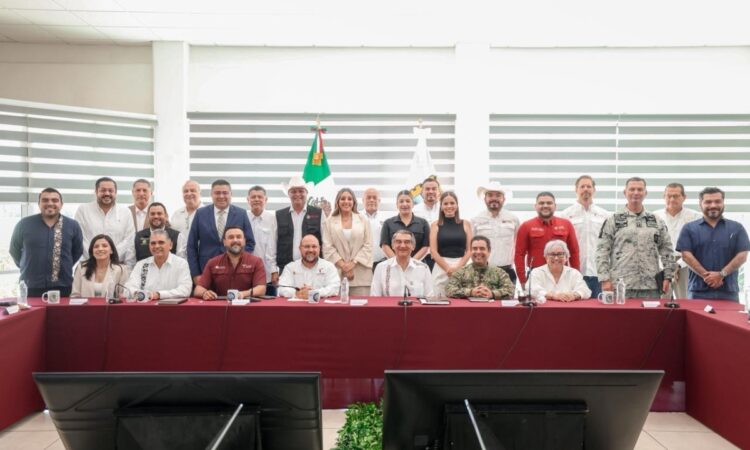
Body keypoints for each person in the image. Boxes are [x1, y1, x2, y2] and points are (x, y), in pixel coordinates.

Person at [596, 177, 676, 299]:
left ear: (645, 193)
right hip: (621, 285)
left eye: (640, 189)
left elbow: (667, 250)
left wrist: (668, 277)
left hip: (651, 286)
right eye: (632, 189)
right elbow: (602, 251)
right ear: (625, 192)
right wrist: (604, 279)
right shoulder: (613, 220)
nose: (636, 192)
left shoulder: (656, 220)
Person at [677, 187, 750, 302]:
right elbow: (686, 256)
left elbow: (742, 256)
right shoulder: (689, 229)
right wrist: (707, 277)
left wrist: (721, 274)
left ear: (723, 203)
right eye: (708, 202)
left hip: (728, 291)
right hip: (698, 292)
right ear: (700, 204)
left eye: (717, 201)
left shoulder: (737, 228)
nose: (713, 205)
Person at [10, 188, 83, 297]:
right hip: (31, 285)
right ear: (39, 203)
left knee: (62, 309)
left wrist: (62, 264)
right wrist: (27, 265)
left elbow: (77, 251)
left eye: (54, 200)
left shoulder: (72, 226)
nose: (50, 203)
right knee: (30, 309)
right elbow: (14, 250)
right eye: (45, 200)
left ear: (61, 204)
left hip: (62, 285)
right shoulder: (24, 224)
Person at [187, 179, 255, 282]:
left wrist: (238, 260)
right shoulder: (200, 214)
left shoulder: (241, 214)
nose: (221, 196)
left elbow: (250, 242)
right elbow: (191, 246)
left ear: (231, 194)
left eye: (225, 193)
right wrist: (195, 274)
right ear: (211, 194)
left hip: (235, 272)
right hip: (205, 271)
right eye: (217, 193)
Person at [515, 192, 580, 286]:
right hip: (536, 276)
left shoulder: (566, 224)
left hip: (562, 275)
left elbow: (574, 252)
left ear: (555, 206)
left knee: (563, 296)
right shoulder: (526, 226)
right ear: (535, 206)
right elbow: (519, 254)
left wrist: (576, 277)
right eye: (541, 203)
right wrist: (522, 280)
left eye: (549, 203)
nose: (545, 205)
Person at [560, 175, 610, 299]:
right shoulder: (565, 215)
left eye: (589, 186)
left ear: (594, 190)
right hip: (574, 273)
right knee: (574, 307)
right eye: (582, 186)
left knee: (598, 308)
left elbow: (609, 244)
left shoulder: (605, 215)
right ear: (576, 189)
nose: (585, 189)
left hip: (598, 273)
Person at [653, 182, 702, 299]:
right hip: (661, 263)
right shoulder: (654, 217)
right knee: (661, 301)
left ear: (684, 197)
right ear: (663, 197)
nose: (672, 199)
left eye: (676, 196)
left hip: (686, 262)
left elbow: (698, 246)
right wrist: (666, 266)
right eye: (669, 196)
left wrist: (679, 264)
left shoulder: (696, 217)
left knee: (685, 300)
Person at [322, 188, 373, 296]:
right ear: (337, 201)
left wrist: (352, 264)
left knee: (361, 306)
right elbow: (327, 247)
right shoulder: (329, 222)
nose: (346, 201)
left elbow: (368, 245)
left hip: (361, 275)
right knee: (335, 306)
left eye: (349, 199)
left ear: (354, 202)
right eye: (343, 199)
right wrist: (343, 265)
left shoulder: (363, 220)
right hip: (336, 275)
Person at [194, 226, 267, 300]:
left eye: (239, 237)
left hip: (248, 305)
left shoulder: (256, 262)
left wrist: (242, 294)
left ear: (244, 241)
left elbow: (261, 289)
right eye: (231, 237)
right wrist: (205, 293)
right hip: (220, 306)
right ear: (224, 242)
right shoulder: (212, 263)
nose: (235, 240)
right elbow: (198, 289)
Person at [75, 177, 136, 262]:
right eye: (103, 190)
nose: (107, 193)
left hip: (118, 265)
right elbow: (81, 239)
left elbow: (129, 241)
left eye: (110, 190)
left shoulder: (125, 212)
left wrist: (110, 258)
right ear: (96, 192)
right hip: (89, 264)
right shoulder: (83, 210)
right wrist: (95, 258)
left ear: (115, 193)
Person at [471, 181, 520, 283]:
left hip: (507, 272)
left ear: (504, 199)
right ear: (485, 199)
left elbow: (518, 245)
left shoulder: (513, 219)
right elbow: (470, 247)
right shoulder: (476, 220)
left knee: (509, 295)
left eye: (498, 195)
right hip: (482, 271)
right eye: (490, 195)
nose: (494, 198)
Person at [124, 230, 192, 300]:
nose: (156, 246)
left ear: (170, 245)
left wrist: (159, 295)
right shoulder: (141, 265)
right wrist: (139, 294)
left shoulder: (181, 264)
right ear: (149, 246)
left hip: (172, 306)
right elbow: (127, 289)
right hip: (147, 306)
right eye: (153, 243)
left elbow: (185, 289)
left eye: (161, 242)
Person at [276, 176, 324, 274]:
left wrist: (325, 266)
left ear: (306, 193)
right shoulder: (278, 215)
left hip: (313, 268)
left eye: (301, 191)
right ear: (288, 194)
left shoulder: (319, 213)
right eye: (293, 191)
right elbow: (273, 243)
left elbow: (325, 242)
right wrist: (273, 269)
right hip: (286, 269)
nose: (297, 194)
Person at [429, 191, 472, 297]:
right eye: (446, 203)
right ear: (441, 207)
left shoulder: (466, 224)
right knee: (439, 301)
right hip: (441, 266)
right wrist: (448, 269)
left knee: (461, 301)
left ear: (457, 205)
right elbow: (433, 251)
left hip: (461, 265)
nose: (449, 206)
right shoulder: (435, 225)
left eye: (452, 203)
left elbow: (470, 250)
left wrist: (457, 268)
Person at [446, 236, 515, 300]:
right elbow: (449, 290)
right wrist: (470, 292)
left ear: (489, 251)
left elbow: (510, 290)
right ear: (470, 251)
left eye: (482, 248)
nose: (478, 252)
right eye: (475, 249)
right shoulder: (460, 272)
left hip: (491, 308)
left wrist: (492, 294)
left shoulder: (499, 273)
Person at [370, 230, 434, 297]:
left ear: (413, 246)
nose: (403, 245)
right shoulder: (381, 268)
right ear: (393, 245)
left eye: (407, 242)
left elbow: (430, 297)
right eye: (398, 242)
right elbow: (375, 297)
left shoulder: (423, 268)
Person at [278, 234, 340, 299]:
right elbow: (281, 288)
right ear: (300, 248)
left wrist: (314, 293)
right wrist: (297, 293)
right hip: (296, 304)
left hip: (321, 305)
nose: (310, 250)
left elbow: (334, 288)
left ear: (319, 248)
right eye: (307, 247)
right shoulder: (290, 267)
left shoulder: (329, 267)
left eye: (314, 246)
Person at [380, 190, 430, 266]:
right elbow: (385, 245)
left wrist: (412, 263)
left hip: (417, 265)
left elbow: (426, 246)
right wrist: (397, 263)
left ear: (413, 204)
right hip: (393, 266)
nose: (404, 204)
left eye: (408, 201)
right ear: (397, 205)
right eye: (401, 201)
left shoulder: (423, 223)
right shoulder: (388, 223)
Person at [247, 185, 279, 296]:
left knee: (270, 304)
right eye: (253, 197)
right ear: (248, 200)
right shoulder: (243, 217)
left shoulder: (273, 218)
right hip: (246, 272)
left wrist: (274, 270)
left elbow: (274, 246)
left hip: (268, 273)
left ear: (266, 199)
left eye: (260, 197)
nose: (256, 199)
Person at [362, 187, 386, 269]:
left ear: (379, 201)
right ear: (363, 200)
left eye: (374, 198)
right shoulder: (356, 217)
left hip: (382, 263)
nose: (371, 200)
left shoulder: (387, 218)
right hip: (361, 263)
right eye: (368, 197)